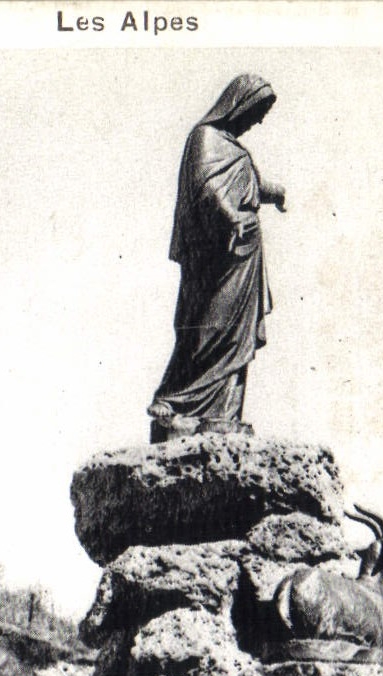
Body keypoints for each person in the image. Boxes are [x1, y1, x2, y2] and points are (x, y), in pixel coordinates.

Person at [148, 74, 286, 443]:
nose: (256, 122)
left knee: (236, 336)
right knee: (208, 331)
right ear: (238, 103)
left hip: (243, 259)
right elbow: (207, 187)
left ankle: (222, 415)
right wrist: (231, 217)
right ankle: (173, 404)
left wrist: (275, 193)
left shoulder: (231, 148)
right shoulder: (204, 138)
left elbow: (250, 184)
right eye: (255, 112)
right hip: (217, 258)